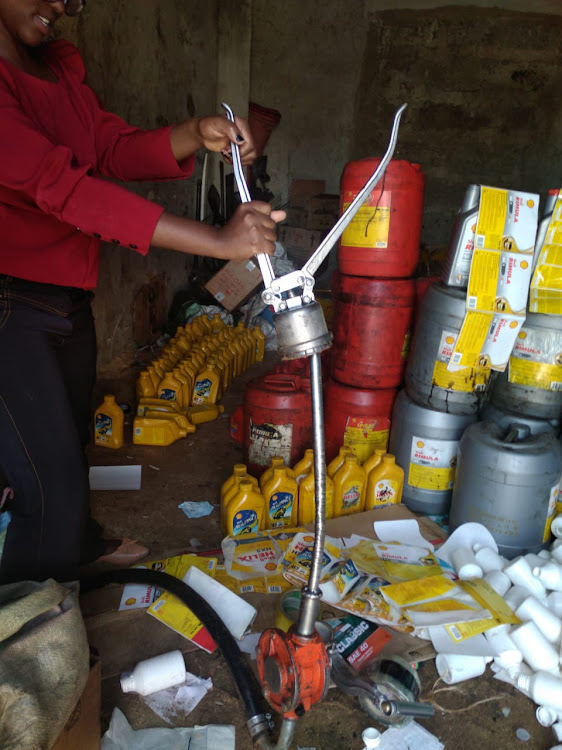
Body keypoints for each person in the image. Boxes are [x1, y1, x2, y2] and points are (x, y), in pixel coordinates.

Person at [0, 0, 285, 584]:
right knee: (43, 479)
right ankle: (34, 655)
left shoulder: (55, 71)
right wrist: (217, 241)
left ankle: (75, 545)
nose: (62, 6)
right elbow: (66, 190)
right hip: (8, 302)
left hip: (64, 296)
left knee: (69, 441)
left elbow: (108, 147)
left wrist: (192, 134)